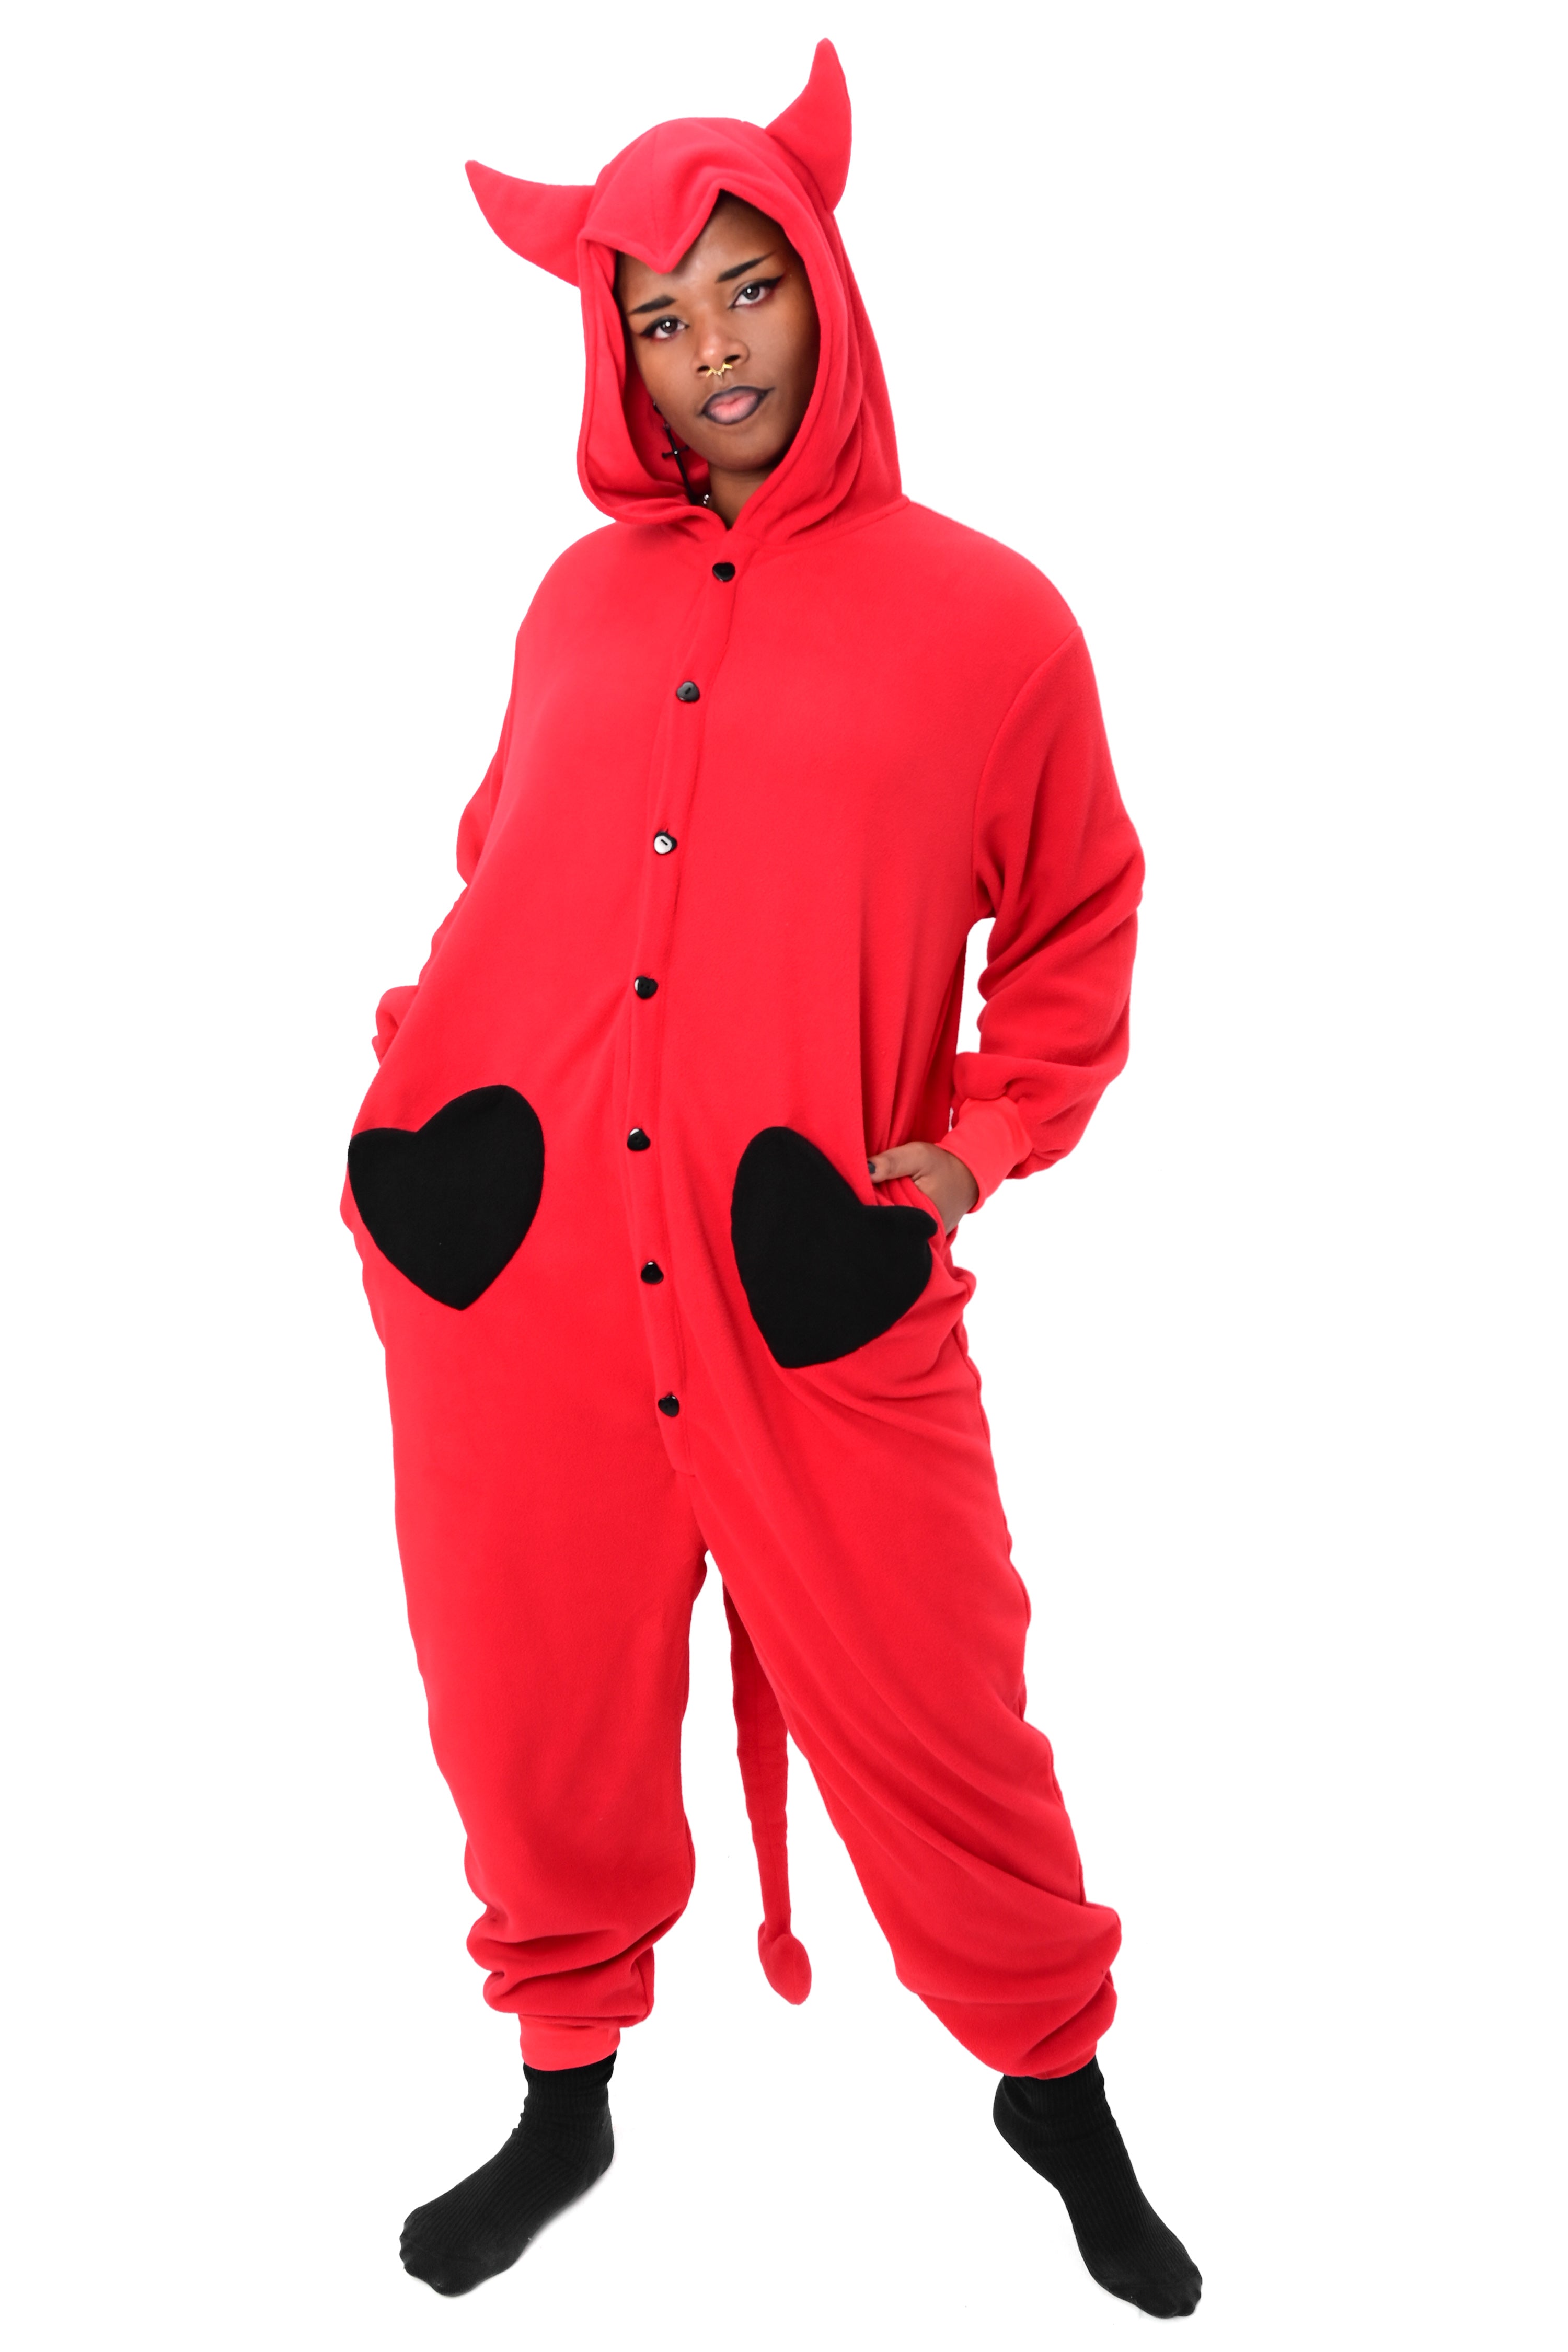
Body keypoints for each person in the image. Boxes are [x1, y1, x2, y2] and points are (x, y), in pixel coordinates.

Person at [343, 40, 1201, 2321]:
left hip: (812, 1272)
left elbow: (1082, 927)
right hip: (517, 1266)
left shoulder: (994, 622)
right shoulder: (574, 603)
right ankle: (564, 2094)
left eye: (744, 288)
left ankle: (1056, 2088)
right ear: (612, 354)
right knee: (523, 1698)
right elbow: (502, 872)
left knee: (943, 1695)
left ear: (824, 282)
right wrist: (410, 1098)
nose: (709, 349)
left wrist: (975, 1151)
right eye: (657, 317)